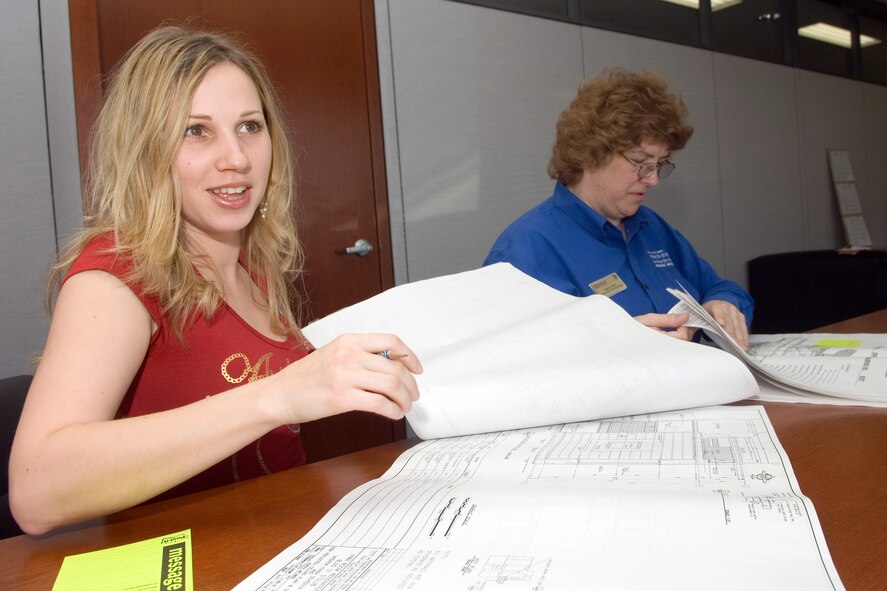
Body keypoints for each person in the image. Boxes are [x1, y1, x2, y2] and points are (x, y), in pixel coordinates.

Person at [9, 26, 422, 536]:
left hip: (279, 544)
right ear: (145, 150)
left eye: (250, 126)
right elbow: (36, 491)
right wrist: (278, 394)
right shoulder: (116, 275)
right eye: (195, 131)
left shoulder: (252, 264)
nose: (237, 158)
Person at [484, 69, 753, 349]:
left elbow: (720, 287)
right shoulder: (526, 249)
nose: (653, 179)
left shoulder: (650, 227)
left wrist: (722, 305)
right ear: (591, 154)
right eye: (640, 162)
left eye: (660, 163)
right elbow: (514, 358)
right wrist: (617, 344)